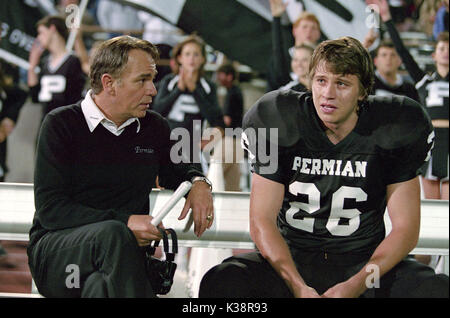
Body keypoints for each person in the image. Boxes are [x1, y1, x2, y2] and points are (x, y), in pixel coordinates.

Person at [199, 36, 449, 298]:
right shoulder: (278, 118)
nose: (328, 93)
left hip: (364, 265)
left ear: (363, 91)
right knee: (224, 282)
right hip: (291, 261)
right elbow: (261, 220)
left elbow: (406, 229)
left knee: (436, 290)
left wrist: (356, 285)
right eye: (321, 81)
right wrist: (297, 286)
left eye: (342, 83)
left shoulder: (394, 126)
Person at [27, 35, 215, 298]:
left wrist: (199, 182)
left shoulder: (154, 126)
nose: (153, 90)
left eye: (152, 78)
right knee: (113, 235)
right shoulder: (61, 124)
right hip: (59, 255)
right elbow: (52, 211)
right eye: (142, 80)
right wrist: (124, 222)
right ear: (109, 83)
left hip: (120, 260)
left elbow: (183, 168)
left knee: (100, 288)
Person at [368, 0, 448, 200]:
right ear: (434, 54)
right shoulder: (423, 81)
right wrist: (386, 18)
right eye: (442, 49)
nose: (446, 53)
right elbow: (402, 51)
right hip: (432, 140)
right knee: (430, 205)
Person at [152, 34, 225, 171]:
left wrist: (194, 91)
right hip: (168, 144)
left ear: (203, 59)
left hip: (194, 148)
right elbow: (157, 111)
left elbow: (216, 119)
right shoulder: (169, 82)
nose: (191, 58)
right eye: (187, 54)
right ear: (179, 58)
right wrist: (178, 90)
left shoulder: (208, 86)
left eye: (196, 54)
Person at [28, 15, 85, 120]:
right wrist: (32, 67)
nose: (38, 38)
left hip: (66, 123)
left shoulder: (73, 61)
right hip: (46, 122)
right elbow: (35, 97)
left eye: (41, 33)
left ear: (52, 29)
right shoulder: (44, 63)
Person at [267, 0, 321, 91]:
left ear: (319, 34)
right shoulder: (280, 59)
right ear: (294, 31)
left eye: (313, 28)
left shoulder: (323, 61)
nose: (309, 31)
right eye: (304, 27)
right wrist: (276, 18)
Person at [216, 62, 244, 191]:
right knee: (233, 184)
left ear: (229, 76)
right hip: (238, 141)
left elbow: (227, 120)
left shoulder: (231, 93)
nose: (218, 78)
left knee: (214, 174)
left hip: (228, 140)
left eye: (220, 75)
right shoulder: (237, 91)